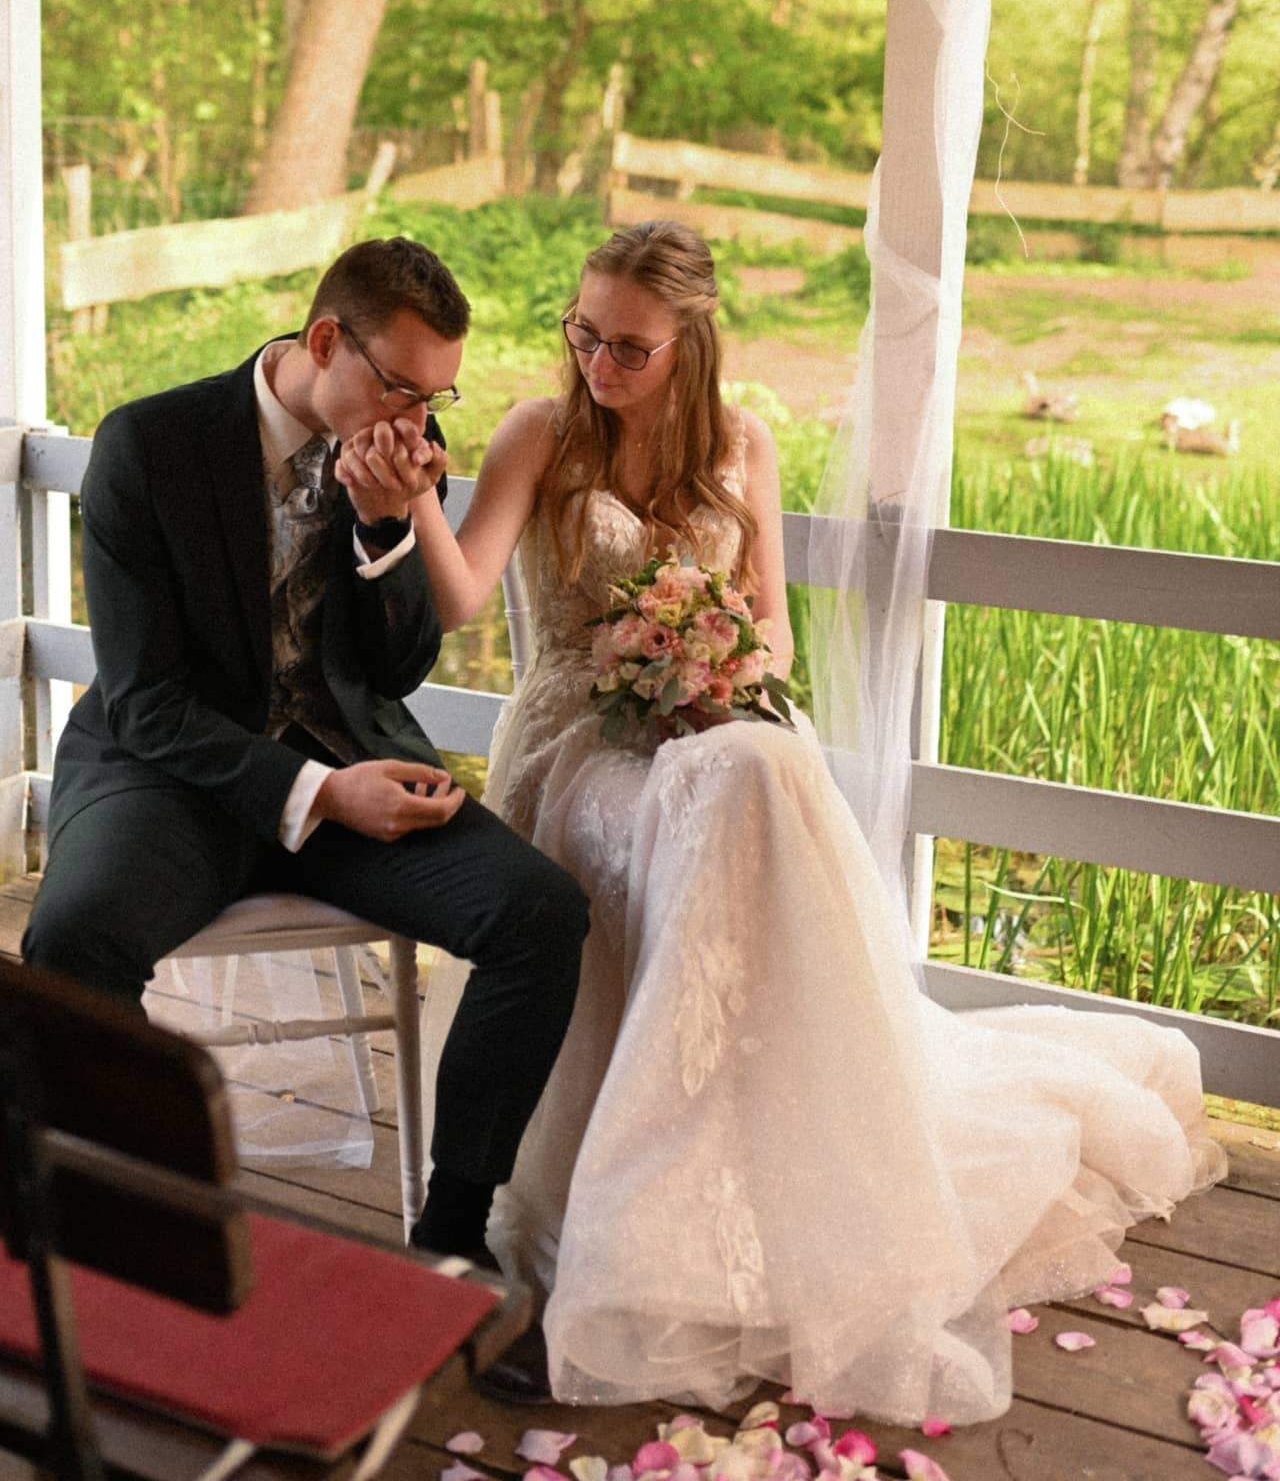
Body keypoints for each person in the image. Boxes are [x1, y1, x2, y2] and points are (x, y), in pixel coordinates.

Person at [384, 216, 1226, 1426]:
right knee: (749, 781)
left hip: (707, 726)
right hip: (577, 745)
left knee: (759, 768)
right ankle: (645, 1235)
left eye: (628, 347)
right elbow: (462, 590)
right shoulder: (541, 430)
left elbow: (770, 628)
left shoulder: (740, 446)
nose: (596, 366)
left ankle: (746, 1179)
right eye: (582, 334)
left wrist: (708, 666)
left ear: (689, 344)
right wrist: (416, 503)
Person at [23, 237, 591, 1347]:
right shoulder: (152, 444)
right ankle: (134, 1239)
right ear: (325, 341)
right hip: (171, 778)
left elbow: (395, 669)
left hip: (352, 754)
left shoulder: (396, 448)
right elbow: (144, 701)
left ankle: (454, 1229)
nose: (419, 425)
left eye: (438, 399)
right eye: (401, 387)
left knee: (541, 913)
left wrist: (385, 531)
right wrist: (320, 796)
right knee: (75, 937)